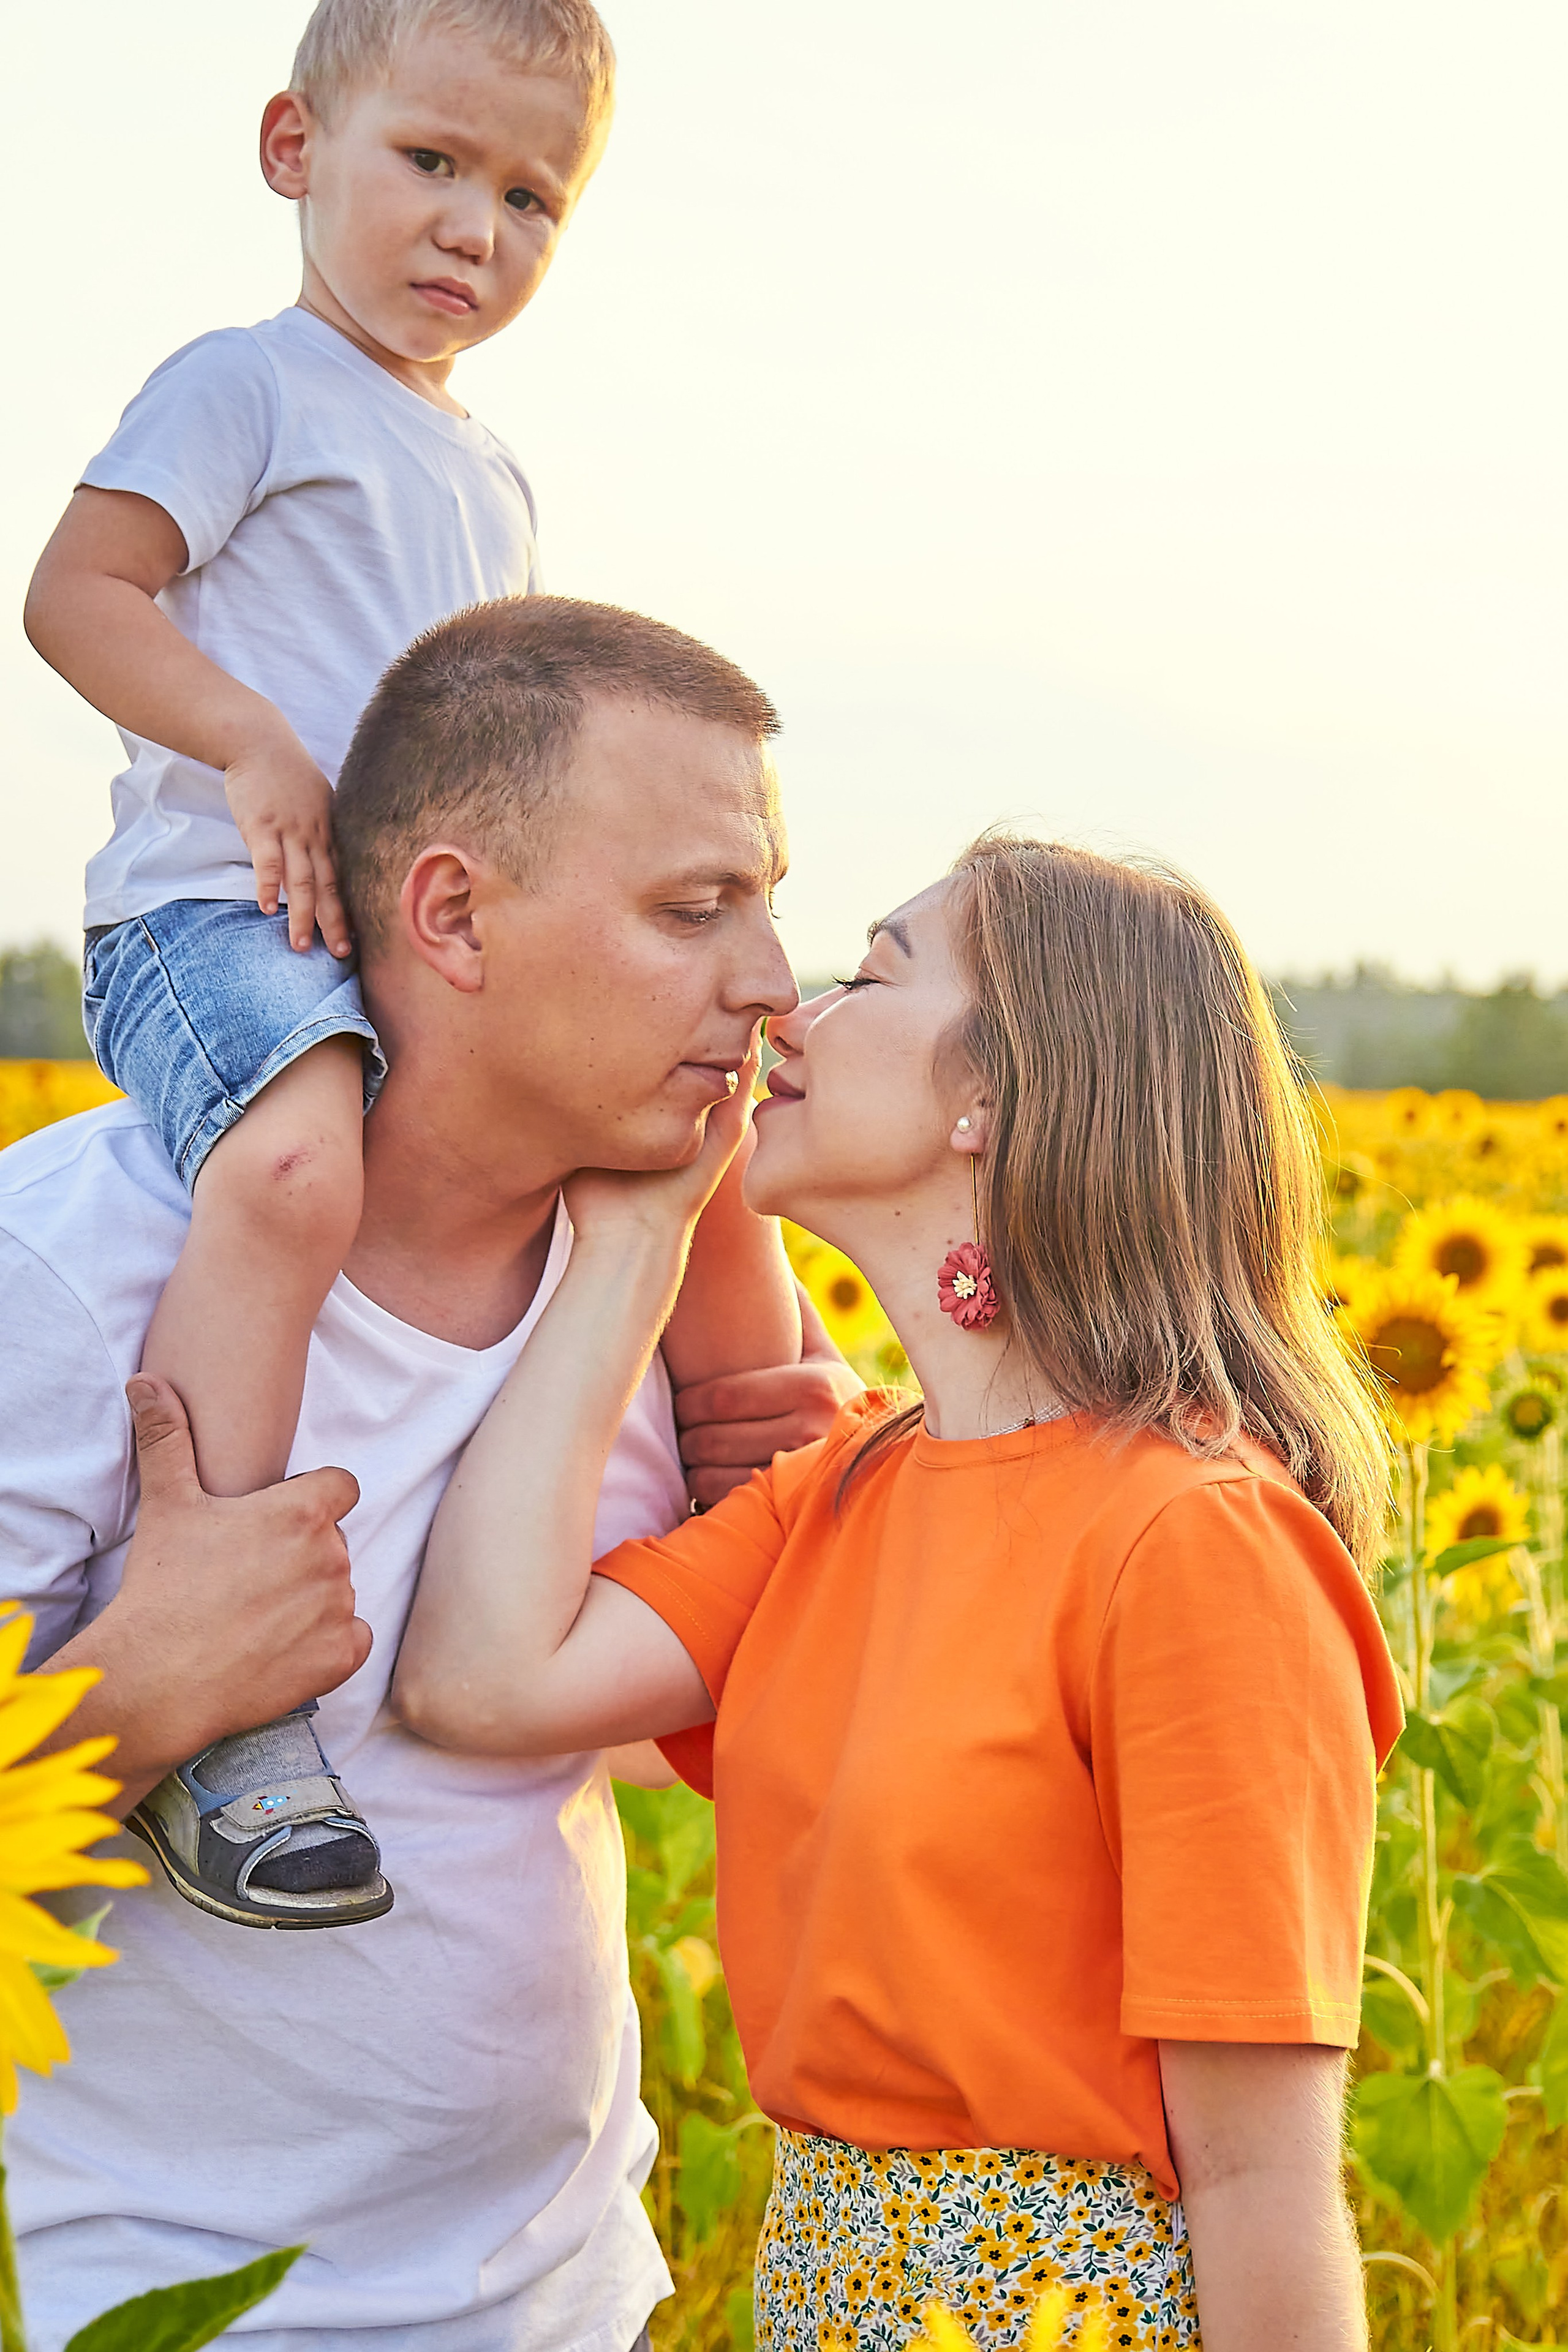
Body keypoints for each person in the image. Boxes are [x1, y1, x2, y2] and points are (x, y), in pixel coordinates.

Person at [396, 836, 1405, 2352]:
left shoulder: (1196, 1545)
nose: (784, 1016)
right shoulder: (843, 1490)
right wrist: (638, 1238)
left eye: (868, 974)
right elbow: (477, 1679)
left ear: (989, 1095)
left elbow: (1259, 2175)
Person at [0, 597, 855, 2352]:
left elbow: (712, 1708)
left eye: (768, 903)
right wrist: (134, 1696)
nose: (772, 980)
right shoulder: (70, 1271)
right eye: (694, 909)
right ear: (452, 914)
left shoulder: (648, 1263)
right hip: (179, 2310)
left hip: (575, 2290)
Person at [21, 0, 801, 1925]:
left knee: (685, 1153)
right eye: (432, 162)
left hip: (374, 938)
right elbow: (74, 591)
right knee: (296, 1167)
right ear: (292, 150)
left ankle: (767, 1472)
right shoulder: (250, 385)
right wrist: (246, 743)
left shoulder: (492, 477)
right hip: (221, 912)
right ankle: (224, 1670)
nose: (476, 225)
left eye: (533, 197)